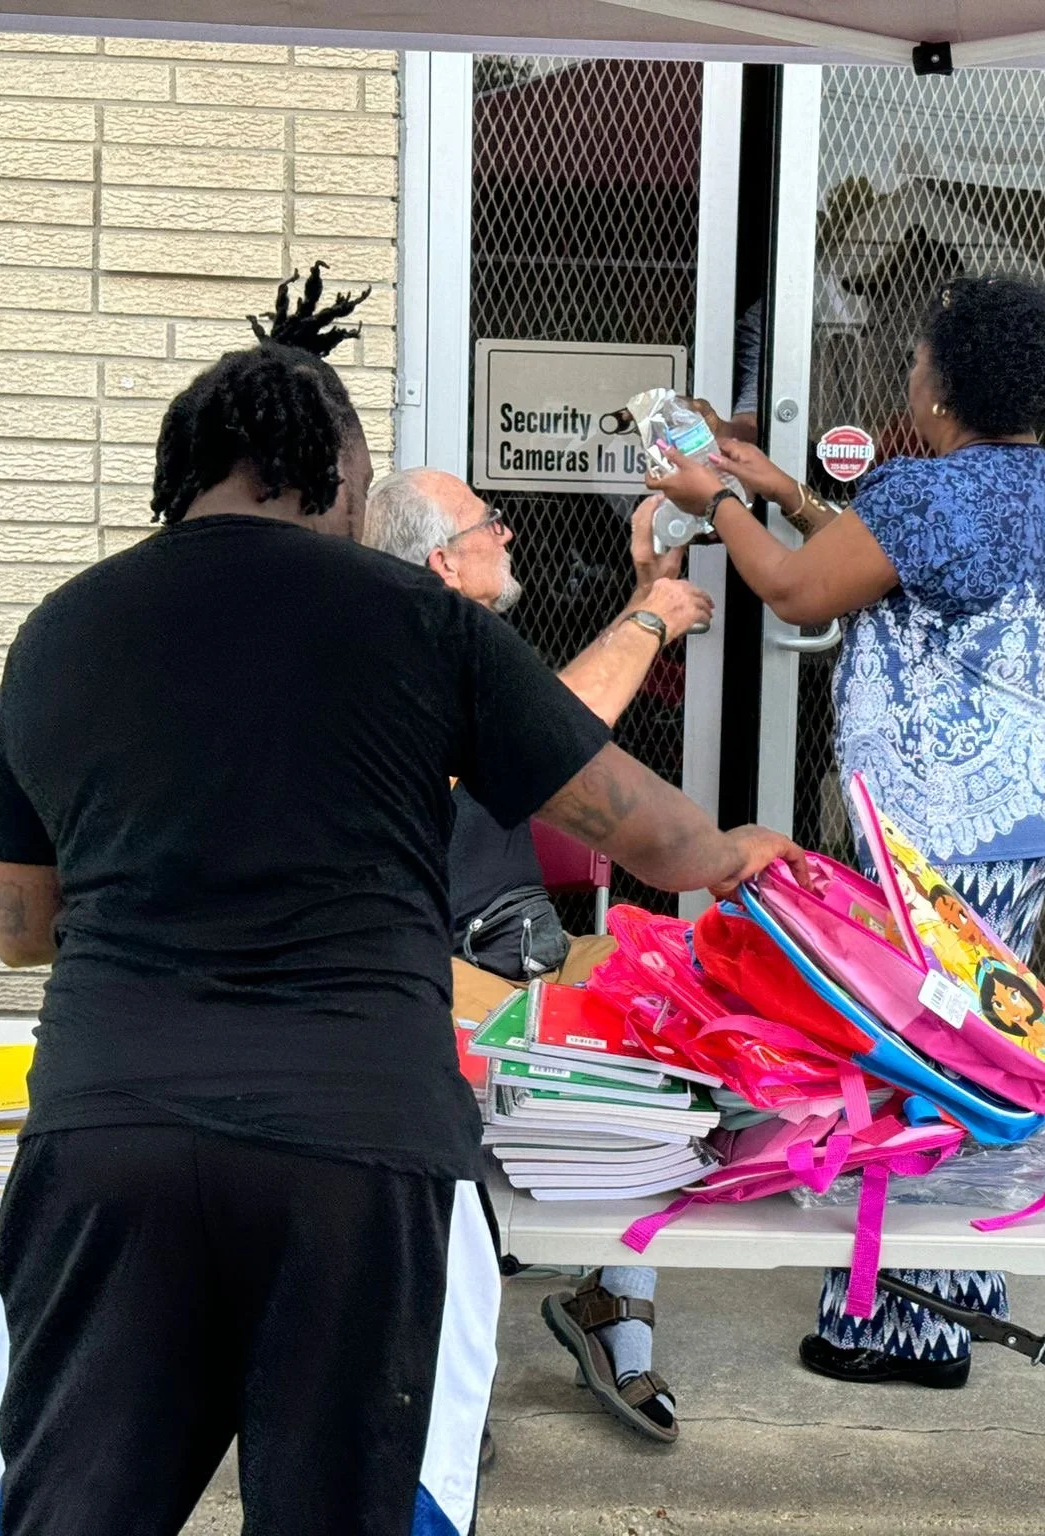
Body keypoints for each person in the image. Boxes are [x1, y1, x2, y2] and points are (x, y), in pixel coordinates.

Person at [0, 267, 806, 1536]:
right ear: (343, 479)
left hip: (111, 1130)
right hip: (353, 1146)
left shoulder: (60, 631)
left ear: (181, 473)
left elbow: (21, 931)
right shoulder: (417, 617)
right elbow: (641, 829)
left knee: (77, 1508)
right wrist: (733, 847)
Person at [644, 272, 1045, 1388]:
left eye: (917, 359)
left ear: (941, 381)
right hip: (1016, 812)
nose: (909, 374)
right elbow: (877, 562)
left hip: (944, 824)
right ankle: (951, 1308)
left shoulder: (928, 497)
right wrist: (786, 488)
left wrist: (718, 502)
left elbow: (799, 594)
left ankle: (914, 1332)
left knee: (922, 1059)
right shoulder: (1037, 493)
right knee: (969, 1053)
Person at [363, 467, 708, 1444]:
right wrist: (650, 616)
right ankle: (431, 1363)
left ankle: (610, 1303)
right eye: (491, 524)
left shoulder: (471, 643)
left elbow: (551, 720)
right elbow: (560, 727)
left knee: (665, 1017)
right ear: (441, 558)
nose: (510, 537)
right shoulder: (396, 654)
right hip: (428, 969)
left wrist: (650, 583)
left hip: (520, 953)